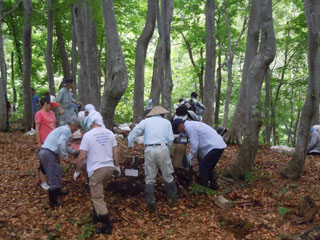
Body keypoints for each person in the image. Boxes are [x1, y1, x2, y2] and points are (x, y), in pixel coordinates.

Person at [73, 113, 120, 234]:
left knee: (98, 197)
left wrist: (77, 171)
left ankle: (107, 226)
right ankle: (96, 216)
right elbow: (116, 151)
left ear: (91, 122)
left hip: (96, 169)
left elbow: (82, 156)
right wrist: (117, 166)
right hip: (109, 168)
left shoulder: (88, 136)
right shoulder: (110, 133)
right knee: (99, 192)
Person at [128, 106, 177, 212]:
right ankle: (172, 200)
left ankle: (151, 203)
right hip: (162, 148)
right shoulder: (166, 122)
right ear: (162, 114)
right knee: (168, 175)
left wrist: (130, 143)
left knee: (149, 177)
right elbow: (171, 138)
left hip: (149, 150)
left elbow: (134, 132)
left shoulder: (145, 122)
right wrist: (167, 148)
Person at [172, 118, 226, 190]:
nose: (179, 131)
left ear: (180, 126)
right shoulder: (188, 127)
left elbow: (194, 144)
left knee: (203, 167)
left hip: (215, 146)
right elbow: (188, 141)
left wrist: (191, 157)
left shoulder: (190, 127)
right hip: (217, 146)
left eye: (178, 129)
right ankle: (214, 186)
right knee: (208, 167)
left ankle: (203, 188)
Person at [38, 118, 80, 208]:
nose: (75, 130)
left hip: (47, 152)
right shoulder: (66, 130)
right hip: (49, 153)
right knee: (53, 175)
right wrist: (65, 157)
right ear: (73, 125)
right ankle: (53, 202)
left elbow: (63, 144)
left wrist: (73, 152)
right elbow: (61, 143)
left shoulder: (62, 129)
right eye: (76, 128)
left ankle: (57, 191)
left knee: (57, 172)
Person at [35, 95, 59, 190]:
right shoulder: (39, 114)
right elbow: (37, 129)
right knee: (43, 162)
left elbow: (54, 126)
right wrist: (39, 142)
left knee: (54, 160)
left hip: (53, 140)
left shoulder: (52, 113)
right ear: (46, 103)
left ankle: (53, 179)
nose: (52, 107)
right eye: (51, 105)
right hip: (44, 141)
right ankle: (43, 182)